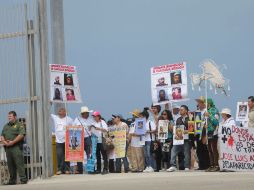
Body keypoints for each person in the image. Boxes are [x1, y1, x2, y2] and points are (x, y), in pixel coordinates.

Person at [1, 111, 27, 185]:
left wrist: (13, 142)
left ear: (15, 117)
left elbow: (21, 135)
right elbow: (2, 135)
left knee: (19, 164)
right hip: (8, 148)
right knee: (10, 165)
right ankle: (12, 180)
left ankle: (23, 179)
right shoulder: (6, 126)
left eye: (10, 116)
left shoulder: (19, 125)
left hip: (16, 147)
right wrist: (5, 142)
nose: (9, 118)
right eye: (8, 116)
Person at [167, 105, 193, 172]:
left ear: (186, 111)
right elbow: (177, 128)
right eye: (180, 110)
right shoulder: (178, 119)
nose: (180, 111)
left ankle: (187, 166)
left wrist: (185, 131)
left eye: (182, 109)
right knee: (173, 151)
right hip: (178, 139)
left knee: (186, 152)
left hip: (187, 139)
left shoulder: (190, 118)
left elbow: (192, 129)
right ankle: (173, 165)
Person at [51, 108, 73, 175]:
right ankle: (59, 169)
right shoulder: (55, 118)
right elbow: (47, 111)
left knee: (67, 155)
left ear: (65, 112)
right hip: (58, 140)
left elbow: (74, 127)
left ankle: (67, 169)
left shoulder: (69, 119)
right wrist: (50, 105)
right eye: (59, 110)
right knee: (59, 155)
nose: (59, 111)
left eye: (61, 111)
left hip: (67, 140)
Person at [73, 106, 94, 174]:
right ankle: (80, 170)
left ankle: (90, 169)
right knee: (79, 154)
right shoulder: (77, 119)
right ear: (82, 113)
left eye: (87, 113)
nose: (86, 114)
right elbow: (73, 128)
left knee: (89, 154)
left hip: (88, 137)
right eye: (85, 113)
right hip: (79, 138)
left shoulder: (91, 119)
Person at [195, 96, 210, 170]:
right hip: (198, 132)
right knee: (199, 149)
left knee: (205, 149)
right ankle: (201, 165)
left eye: (200, 102)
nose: (198, 104)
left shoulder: (206, 111)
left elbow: (206, 122)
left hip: (204, 132)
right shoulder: (198, 112)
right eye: (198, 102)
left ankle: (207, 164)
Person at [205, 98, 220, 172]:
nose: (205, 104)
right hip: (209, 132)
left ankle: (216, 165)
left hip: (214, 132)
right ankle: (211, 165)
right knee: (209, 149)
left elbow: (216, 122)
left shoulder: (215, 110)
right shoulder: (207, 110)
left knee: (214, 149)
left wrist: (209, 115)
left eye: (206, 103)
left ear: (209, 103)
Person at [140, 108, 156, 173]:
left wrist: (147, 131)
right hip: (143, 140)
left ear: (145, 116)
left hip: (149, 139)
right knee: (145, 154)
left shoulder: (150, 122)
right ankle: (148, 166)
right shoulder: (140, 123)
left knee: (149, 153)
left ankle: (152, 166)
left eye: (141, 116)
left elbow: (155, 130)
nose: (140, 117)